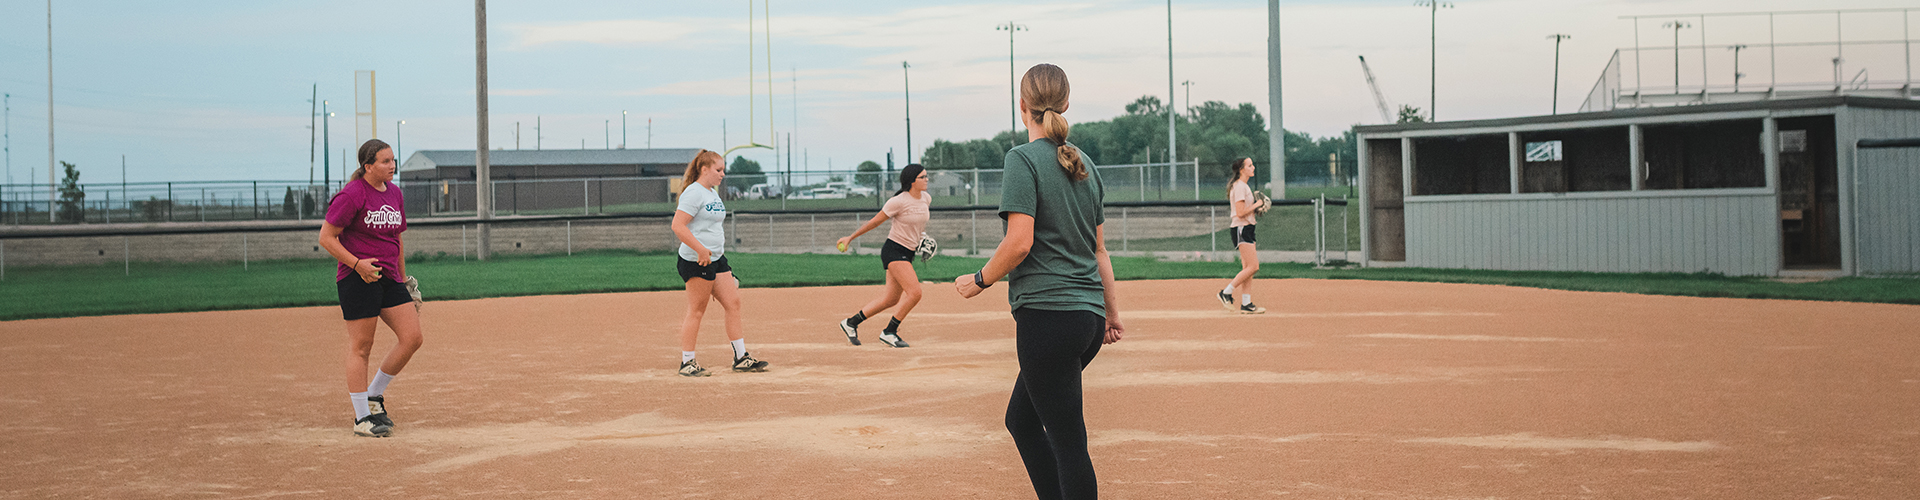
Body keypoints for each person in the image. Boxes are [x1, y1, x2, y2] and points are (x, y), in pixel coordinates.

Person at [954, 63, 1123, 500]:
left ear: (1023, 106)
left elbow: (1019, 242)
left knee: (1069, 443)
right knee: (1023, 422)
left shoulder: (1021, 159)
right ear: (1066, 103)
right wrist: (1111, 313)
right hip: (1085, 318)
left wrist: (980, 279)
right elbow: (1099, 251)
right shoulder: (1084, 163)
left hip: (1048, 318)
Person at [318, 139, 424, 438]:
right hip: (358, 278)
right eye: (385, 161)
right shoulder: (352, 195)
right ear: (368, 166)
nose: (392, 166)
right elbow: (327, 237)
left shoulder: (394, 193)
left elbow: (397, 240)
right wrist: (357, 265)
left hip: (389, 277)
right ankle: (362, 417)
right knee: (362, 347)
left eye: (393, 160)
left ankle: (374, 395)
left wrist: (403, 279)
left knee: (412, 337)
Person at [669, 149, 769, 377]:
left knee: (733, 302)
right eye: (718, 169)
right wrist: (700, 249)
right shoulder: (694, 193)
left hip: (716, 258)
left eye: (723, 169)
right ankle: (687, 362)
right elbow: (678, 226)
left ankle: (741, 357)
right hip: (697, 260)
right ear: (704, 169)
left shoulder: (712, 193)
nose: (723, 174)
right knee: (697, 310)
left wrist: (715, 256)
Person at [834, 164, 933, 348]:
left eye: (927, 176)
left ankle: (851, 323)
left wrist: (923, 239)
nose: (927, 179)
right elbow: (875, 222)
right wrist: (850, 238)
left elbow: (919, 225)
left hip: (908, 252)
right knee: (915, 293)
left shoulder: (926, 199)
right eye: (923, 177)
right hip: (894, 250)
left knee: (891, 299)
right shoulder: (898, 201)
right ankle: (889, 331)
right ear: (912, 181)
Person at [1218, 157, 1267, 314]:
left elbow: (1245, 210)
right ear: (1242, 169)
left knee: (1248, 268)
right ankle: (1226, 292)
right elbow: (1239, 213)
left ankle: (1246, 304)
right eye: (1250, 165)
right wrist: (1257, 204)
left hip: (1246, 228)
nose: (1253, 168)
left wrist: (1256, 209)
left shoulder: (1243, 187)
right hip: (1241, 228)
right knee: (1254, 266)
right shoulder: (1240, 187)